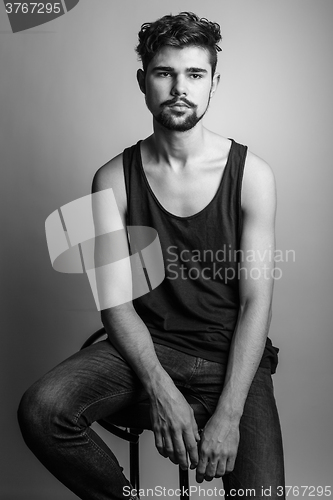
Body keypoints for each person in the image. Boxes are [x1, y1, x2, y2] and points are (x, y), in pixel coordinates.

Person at [18, 11, 285, 500]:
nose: (179, 87)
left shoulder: (253, 176)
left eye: (194, 74)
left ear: (213, 83)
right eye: (164, 73)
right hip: (147, 350)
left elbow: (255, 305)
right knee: (43, 408)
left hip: (230, 359)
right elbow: (116, 303)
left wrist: (229, 413)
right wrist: (162, 391)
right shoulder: (113, 180)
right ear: (144, 81)